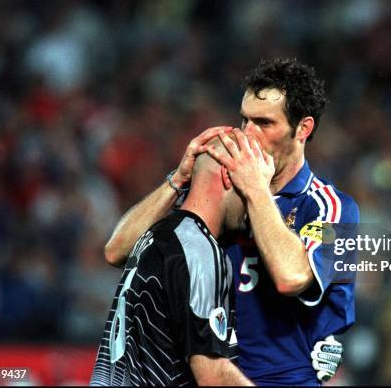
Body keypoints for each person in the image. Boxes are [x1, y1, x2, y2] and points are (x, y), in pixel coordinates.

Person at [105, 58, 360, 385]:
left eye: (264, 123)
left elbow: (292, 277)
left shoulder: (329, 207)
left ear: (303, 129)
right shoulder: (225, 193)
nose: (248, 135)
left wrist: (256, 191)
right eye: (245, 120)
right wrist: (178, 180)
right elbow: (118, 252)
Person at [90, 136, 266, 386]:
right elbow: (213, 374)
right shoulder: (200, 251)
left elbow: (114, 251)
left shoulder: (156, 234)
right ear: (228, 176)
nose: (256, 199)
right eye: (254, 183)